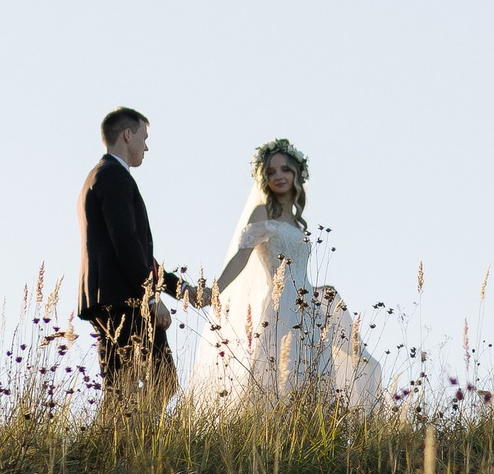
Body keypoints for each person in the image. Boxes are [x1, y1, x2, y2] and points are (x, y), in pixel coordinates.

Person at [185, 137, 385, 413]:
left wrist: (319, 289)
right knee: (280, 373)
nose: (278, 176)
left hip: (308, 310)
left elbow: (298, 269)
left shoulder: (297, 223)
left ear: (297, 174)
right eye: (270, 172)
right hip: (280, 309)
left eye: (284, 169)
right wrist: (214, 290)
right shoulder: (262, 212)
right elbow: (241, 257)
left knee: (314, 374)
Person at [77, 107, 201, 404]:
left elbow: (137, 252)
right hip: (124, 300)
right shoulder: (113, 176)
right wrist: (151, 299)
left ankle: (115, 444)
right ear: (127, 134)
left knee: (120, 386)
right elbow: (127, 244)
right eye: (143, 137)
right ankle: (130, 443)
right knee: (161, 381)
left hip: (112, 296)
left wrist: (182, 291)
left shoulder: (102, 175)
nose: (146, 146)